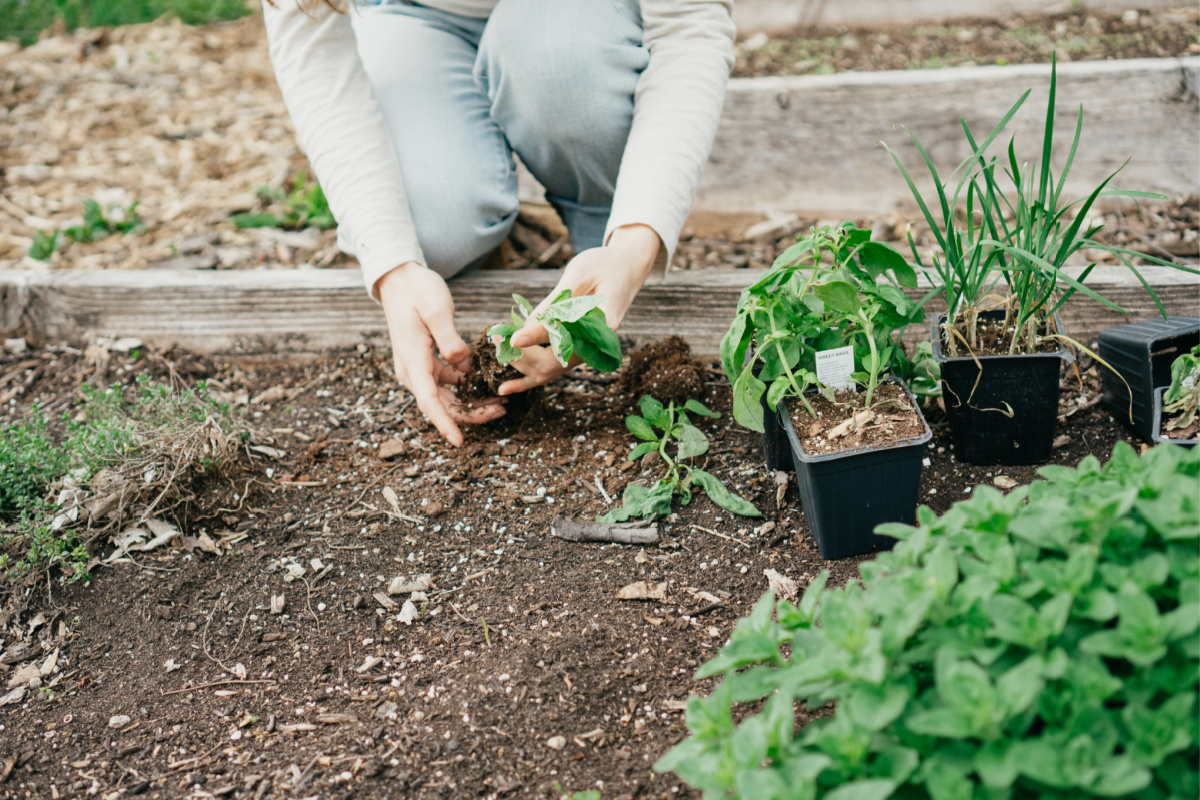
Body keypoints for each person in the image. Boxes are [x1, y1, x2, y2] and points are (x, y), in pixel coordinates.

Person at [263, 0, 734, 445]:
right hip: (415, 16)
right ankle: (488, 232)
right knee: (427, 232)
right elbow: (313, 56)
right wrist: (392, 269)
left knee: (556, 62)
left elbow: (688, 23)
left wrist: (636, 240)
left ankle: (605, 246)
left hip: (574, 22)